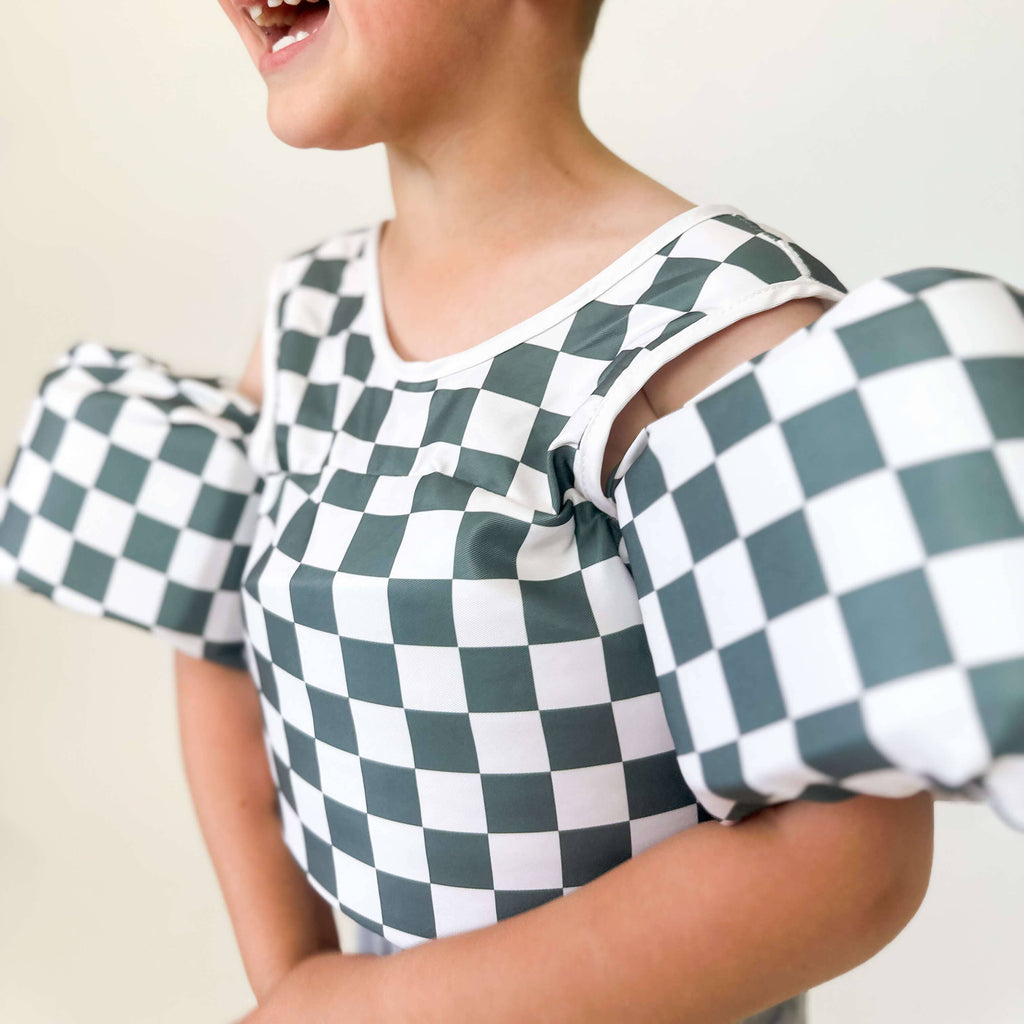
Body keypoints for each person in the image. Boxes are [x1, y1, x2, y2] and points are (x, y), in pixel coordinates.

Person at [0, 2, 1021, 1022]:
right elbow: (212, 615)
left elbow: (844, 870)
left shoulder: (705, 326)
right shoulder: (306, 317)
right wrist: (295, 980)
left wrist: (374, 1011)